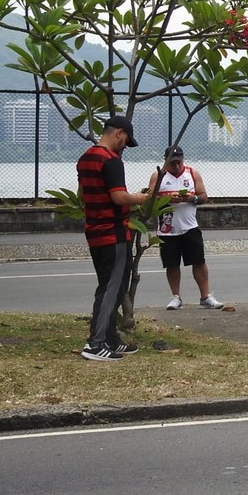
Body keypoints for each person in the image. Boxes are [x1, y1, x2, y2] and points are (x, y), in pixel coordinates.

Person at [76, 115, 149, 361]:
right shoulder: (112, 161)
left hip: (94, 230)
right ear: (119, 133)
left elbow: (83, 194)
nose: (124, 146)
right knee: (110, 289)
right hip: (113, 233)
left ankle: (110, 338)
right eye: (126, 141)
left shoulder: (85, 158)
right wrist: (140, 198)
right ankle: (95, 344)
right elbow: (118, 197)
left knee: (112, 287)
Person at [148, 145, 223, 311]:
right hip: (167, 229)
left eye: (179, 162)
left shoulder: (192, 173)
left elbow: (203, 196)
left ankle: (205, 296)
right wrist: (167, 199)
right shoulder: (158, 176)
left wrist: (192, 198)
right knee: (172, 264)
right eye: (172, 163)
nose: (176, 166)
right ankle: (175, 297)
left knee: (199, 261)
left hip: (189, 226)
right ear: (166, 161)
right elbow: (149, 199)